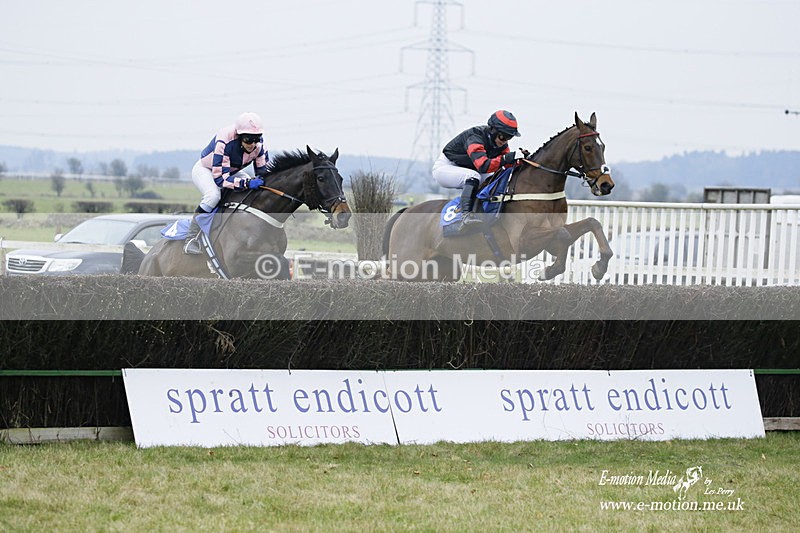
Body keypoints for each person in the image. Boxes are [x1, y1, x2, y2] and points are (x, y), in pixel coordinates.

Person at [184, 112, 269, 254]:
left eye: (256, 139)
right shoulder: (224, 140)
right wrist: (246, 183)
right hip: (207, 170)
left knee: (254, 190)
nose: (252, 144)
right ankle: (190, 239)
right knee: (213, 196)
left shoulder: (259, 146)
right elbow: (220, 180)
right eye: (248, 139)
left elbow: (263, 174)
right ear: (239, 135)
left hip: (231, 171)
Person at [433, 110, 527, 228]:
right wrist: (506, 158)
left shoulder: (501, 144)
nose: (504, 141)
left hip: (469, 168)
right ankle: (465, 215)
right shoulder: (475, 137)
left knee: (494, 179)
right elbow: (483, 166)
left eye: (509, 137)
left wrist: (519, 161)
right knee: (473, 176)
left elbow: (504, 167)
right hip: (446, 167)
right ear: (493, 130)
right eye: (503, 136)